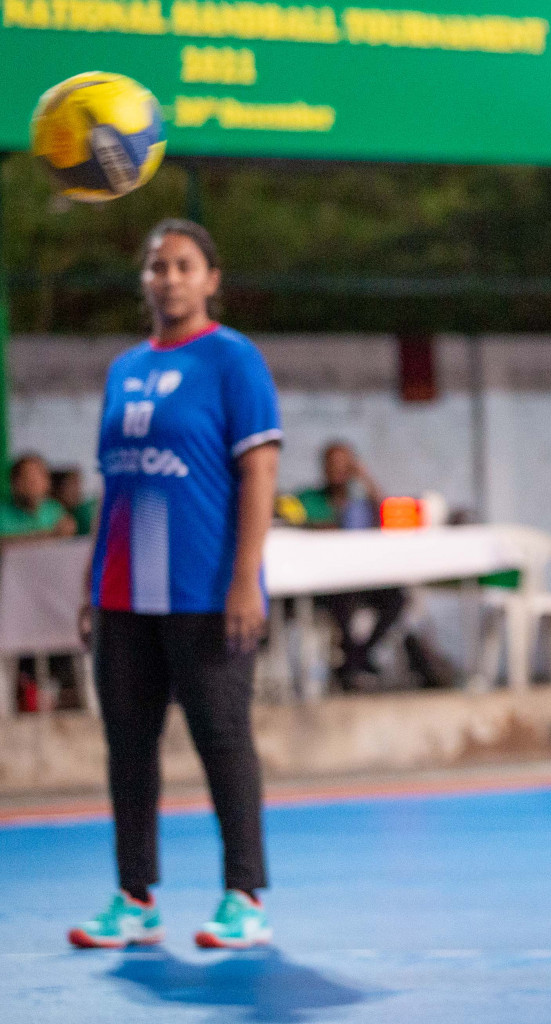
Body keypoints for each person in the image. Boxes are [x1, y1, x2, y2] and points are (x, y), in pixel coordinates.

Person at [68, 218, 281, 951]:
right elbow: (112, 483)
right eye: (157, 266)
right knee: (127, 745)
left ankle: (244, 896)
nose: (169, 278)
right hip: (126, 594)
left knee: (222, 738)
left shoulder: (233, 360)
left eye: (185, 265)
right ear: (145, 281)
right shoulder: (124, 368)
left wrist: (245, 580)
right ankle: (134, 898)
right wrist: (93, 585)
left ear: (211, 279)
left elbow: (259, 471)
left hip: (206, 591)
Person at [292, 441, 415, 690]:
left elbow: (385, 515)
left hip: (361, 580)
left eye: (344, 465)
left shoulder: (360, 503)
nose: (338, 470)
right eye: (332, 464)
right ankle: (355, 663)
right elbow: (290, 520)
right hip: (325, 584)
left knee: (397, 598)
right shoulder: (309, 498)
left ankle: (356, 657)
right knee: (342, 599)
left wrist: (365, 479)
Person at [0, 453, 76, 541]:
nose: (33, 484)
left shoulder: (54, 510)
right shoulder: (2, 513)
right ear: (14, 483)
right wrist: (49, 535)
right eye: (27, 478)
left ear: (47, 482)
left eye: (38, 477)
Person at [51, 464, 97, 538]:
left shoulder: (86, 510)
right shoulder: (54, 513)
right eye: (70, 485)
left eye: (78, 484)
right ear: (56, 489)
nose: (77, 490)